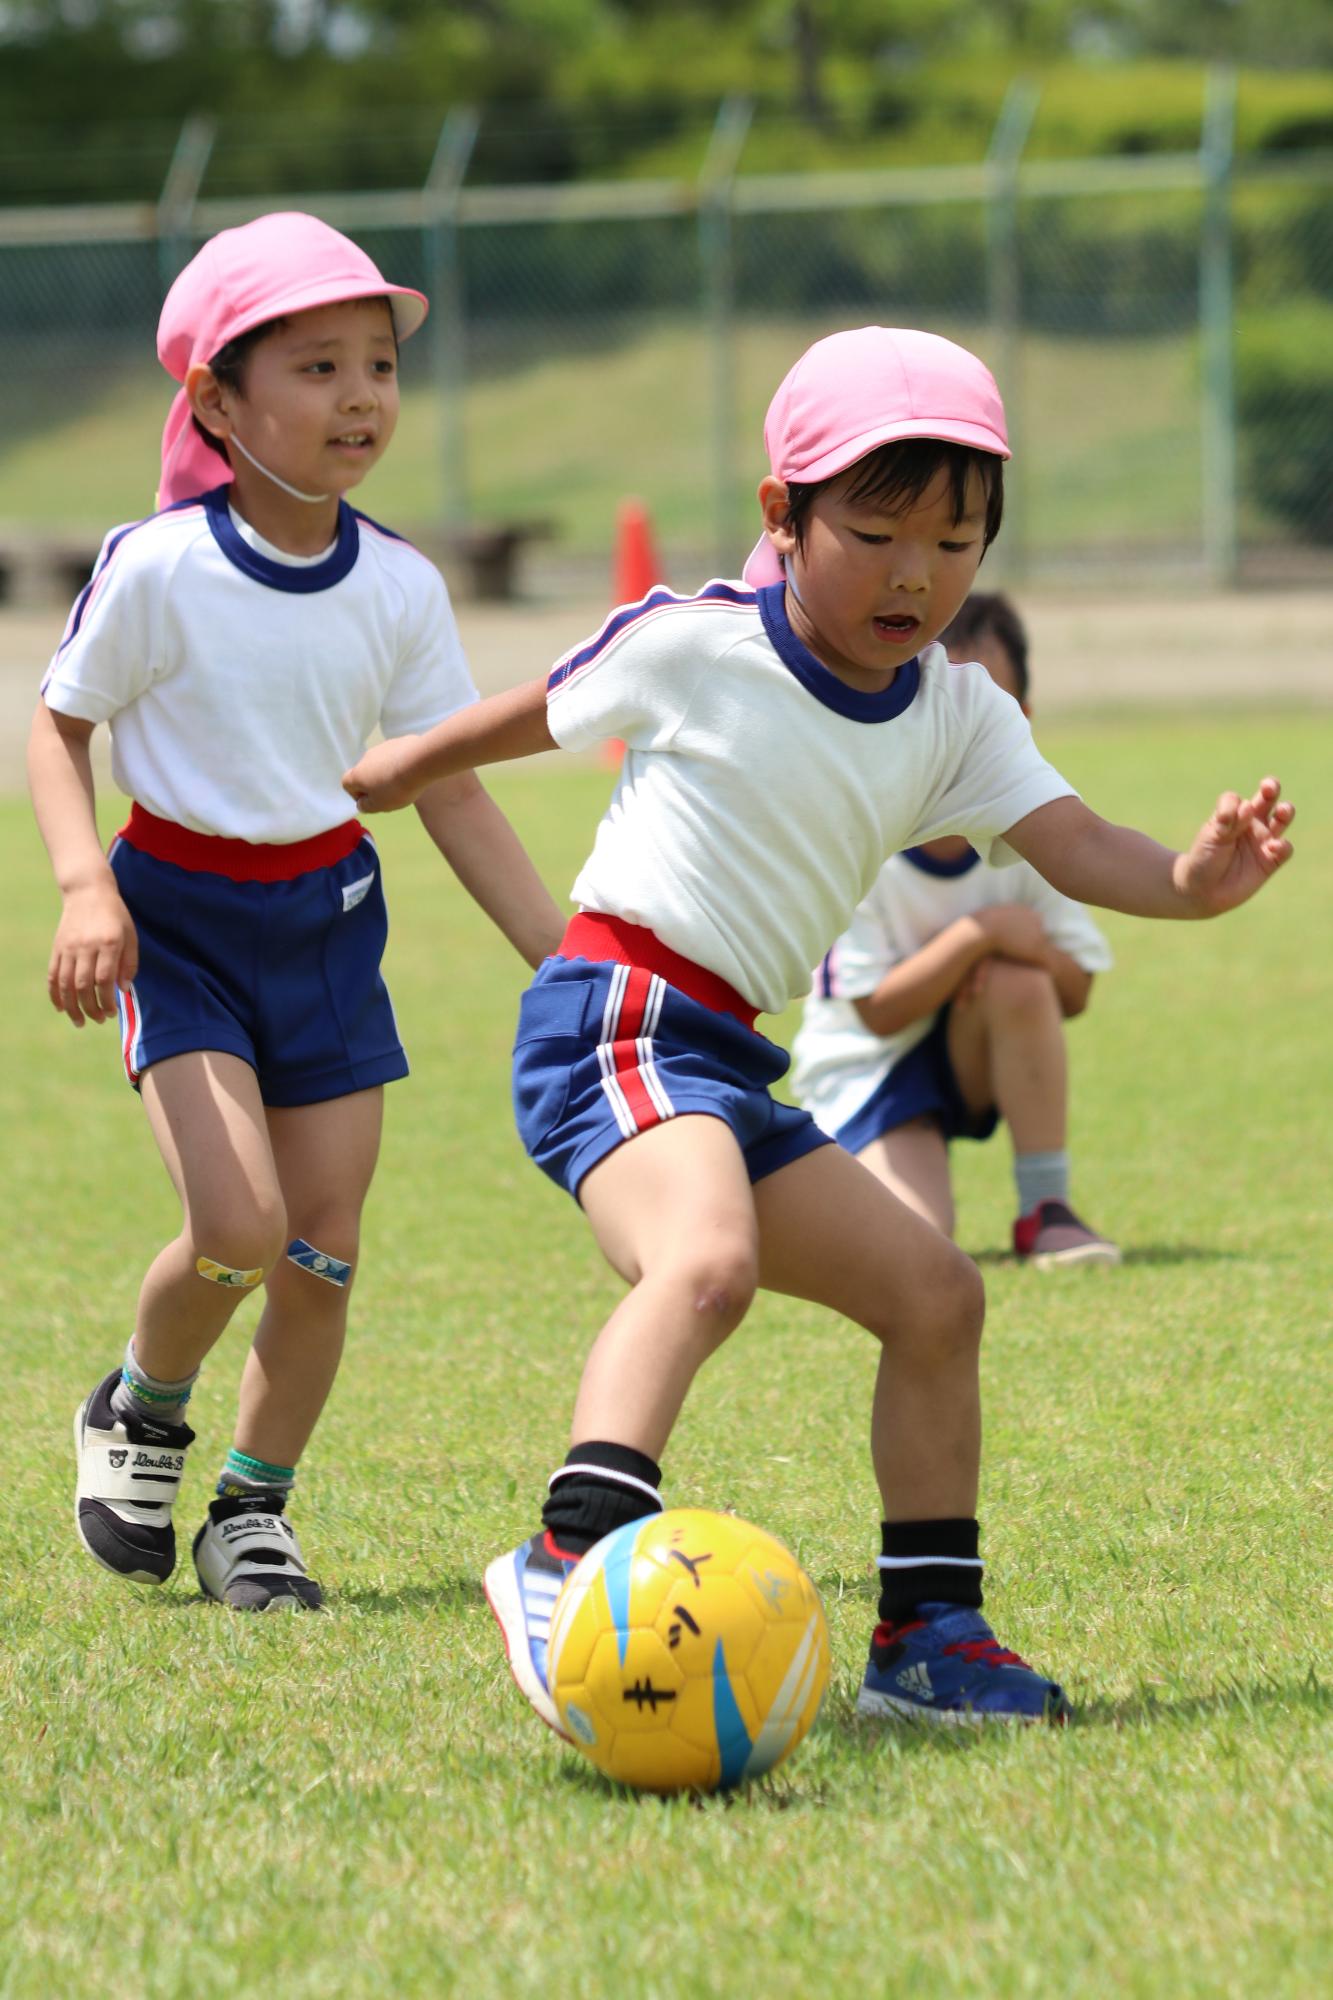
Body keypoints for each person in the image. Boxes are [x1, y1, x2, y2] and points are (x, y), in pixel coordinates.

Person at [342, 325, 1293, 1727]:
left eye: (957, 541)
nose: (918, 573)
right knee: (705, 1261)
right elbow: (530, 715)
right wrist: (396, 765)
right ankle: (563, 1561)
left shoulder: (957, 715)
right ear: (782, 515)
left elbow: (1078, 840)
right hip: (617, 1013)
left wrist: (1187, 885)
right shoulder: (698, 645)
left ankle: (927, 1640)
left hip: (725, 1053)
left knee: (938, 1298)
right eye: (878, 530)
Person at [29, 212, 563, 1612]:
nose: (362, 397)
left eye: (378, 366)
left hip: (328, 925)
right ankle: (141, 1406)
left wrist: (572, 962)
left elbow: (447, 793)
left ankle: (251, 1516)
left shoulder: (398, 585)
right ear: (216, 398)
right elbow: (55, 725)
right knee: (241, 1224)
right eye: (318, 367)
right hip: (179, 926)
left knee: (323, 1253)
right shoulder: (158, 566)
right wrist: (86, 886)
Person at [792, 590, 1121, 1267]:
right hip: (869, 1075)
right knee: (917, 1248)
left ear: (1020, 723)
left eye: (987, 713)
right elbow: (875, 1011)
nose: (962, 734)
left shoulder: (1038, 834)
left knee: (1019, 984)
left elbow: (1076, 990)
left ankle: (1046, 1208)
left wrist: (1017, 956)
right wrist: (977, 936)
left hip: (969, 1055)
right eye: (937, 709)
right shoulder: (864, 839)